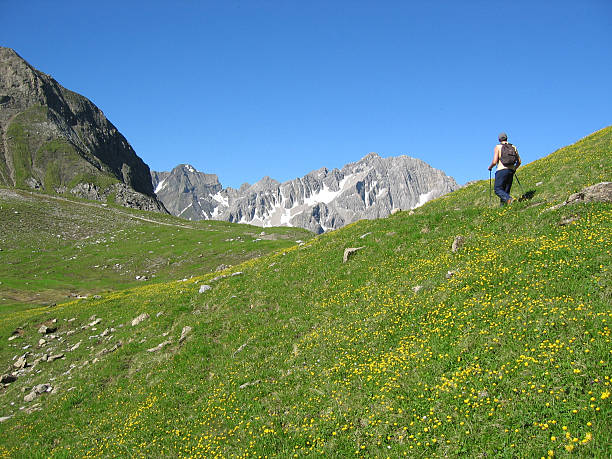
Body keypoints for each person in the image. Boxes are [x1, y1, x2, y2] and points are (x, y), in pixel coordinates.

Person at [488, 132, 521, 205]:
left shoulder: (498, 147)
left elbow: (494, 161)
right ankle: (503, 208)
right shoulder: (513, 147)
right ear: (506, 138)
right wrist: (514, 168)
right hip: (511, 171)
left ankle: (510, 199)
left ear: (499, 139)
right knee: (506, 192)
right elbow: (519, 161)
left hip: (501, 170)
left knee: (498, 189)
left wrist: (490, 167)